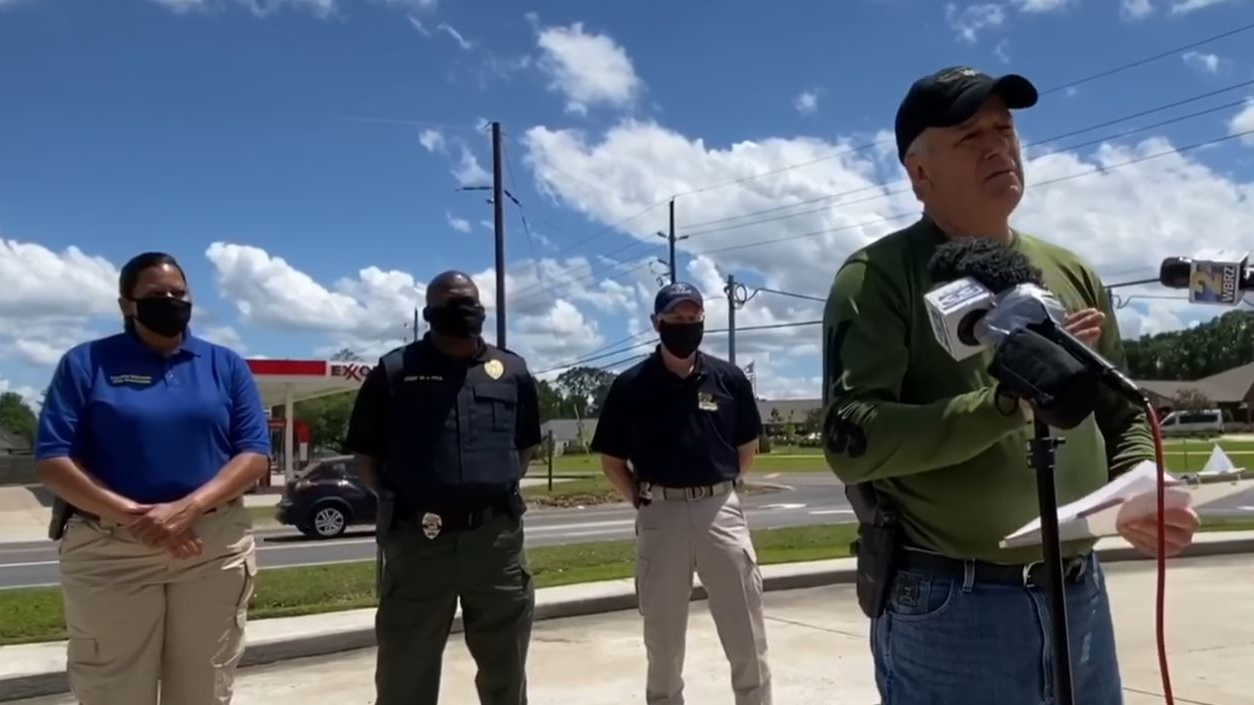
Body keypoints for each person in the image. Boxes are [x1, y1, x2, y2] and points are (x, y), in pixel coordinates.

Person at [820, 66, 1201, 705]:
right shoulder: (878, 278)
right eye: (971, 136)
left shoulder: (1070, 270)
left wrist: (1144, 489)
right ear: (920, 173)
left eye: (1005, 128)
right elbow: (854, 438)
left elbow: (1124, 413)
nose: (999, 145)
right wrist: (1003, 404)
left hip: (1079, 591)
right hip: (953, 608)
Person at [34, 251, 271, 705]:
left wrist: (188, 509)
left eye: (177, 293)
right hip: (111, 549)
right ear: (126, 303)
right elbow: (53, 459)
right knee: (112, 691)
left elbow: (254, 455)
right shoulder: (86, 364)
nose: (169, 301)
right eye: (154, 294)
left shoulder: (224, 365)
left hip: (210, 546)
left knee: (204, 688)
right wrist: (140, 518)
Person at [345, 270, 542, 705]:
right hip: (418, 543)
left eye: (469, 301)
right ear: (430, 313)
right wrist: (410, 502)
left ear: (483, 309)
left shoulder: (511, 371)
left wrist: (487, 486)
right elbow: (366, 460)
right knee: (404, 672)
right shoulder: (395, 371)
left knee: (505, 670)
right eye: (451, 303)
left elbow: (524, 448)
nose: (463, 310)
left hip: (495, 544)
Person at [591, 282, 772, 705]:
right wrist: (642, 500)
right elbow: (612, 462)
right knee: (663, 640)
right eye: (676, 319)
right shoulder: (631, 386)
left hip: (720, 512)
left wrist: (717, 489)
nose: (685, 326)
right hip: (660, 514)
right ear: (657, 323)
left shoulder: (729, 380)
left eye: (693, 319)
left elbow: (746, 451)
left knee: (747, 633)